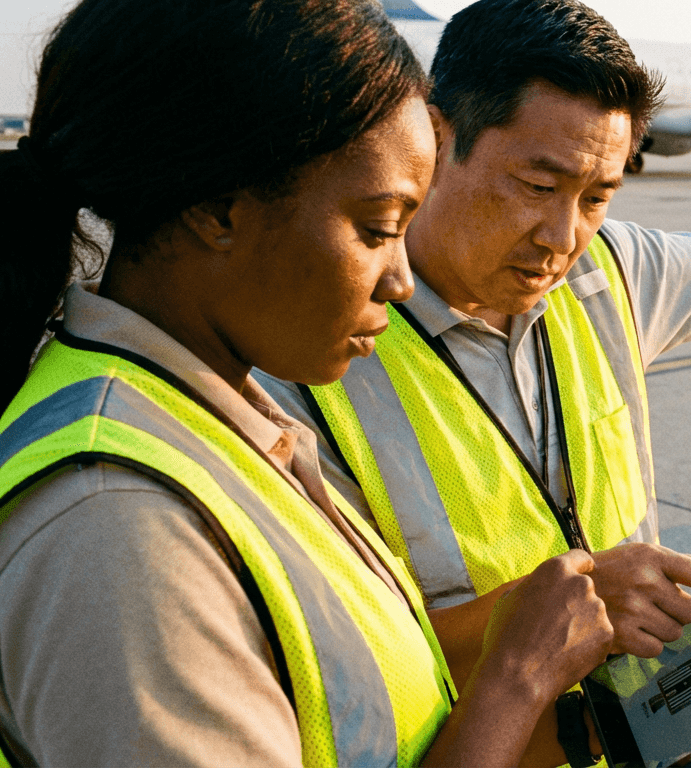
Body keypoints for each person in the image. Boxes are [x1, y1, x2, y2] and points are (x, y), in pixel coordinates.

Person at [256, 0, 691, 762]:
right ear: (435, 136)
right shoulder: (306, 362)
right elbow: (341, 666)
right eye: (536, 185)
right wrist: (572, 606)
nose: (563, 238)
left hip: (637, 737)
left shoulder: (607, 271)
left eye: (596, 197)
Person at [0, 0, 634, 764]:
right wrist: (515, 679)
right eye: (377, 229)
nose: (400, 281)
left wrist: (585, 725)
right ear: (218, 209)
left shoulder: (216, 419)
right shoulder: (115, 533)